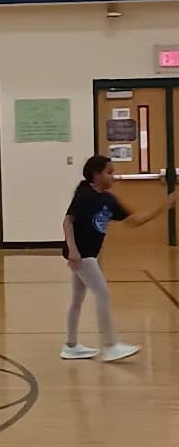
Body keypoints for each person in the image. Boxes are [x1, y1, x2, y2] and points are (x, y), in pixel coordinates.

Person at [61, 154, 176, 362]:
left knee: (77, 299)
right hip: (82, 255)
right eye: (109, 172)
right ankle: (110, 345)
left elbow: (134, 221)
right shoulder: (84, 194)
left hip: (89, 255)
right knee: (102, 294)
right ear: (96, 174)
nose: (114, 176)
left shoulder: (109, 200)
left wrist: (163, 208)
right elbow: (68, 222)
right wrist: (73, 250)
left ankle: (71, 346)